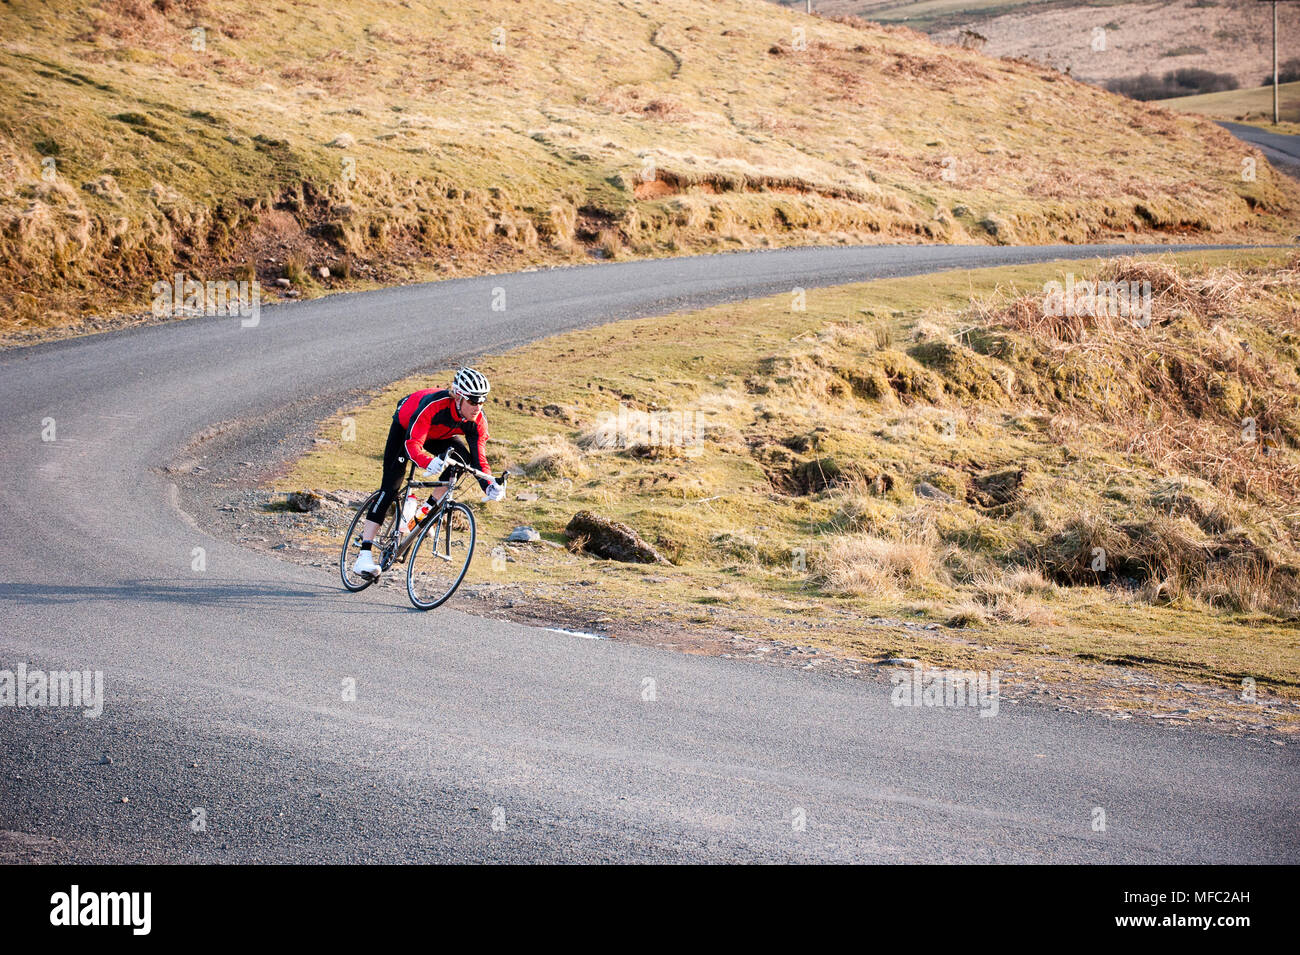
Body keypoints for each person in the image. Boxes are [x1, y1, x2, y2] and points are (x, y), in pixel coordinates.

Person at [352, 367, 504, 578]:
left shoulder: (477, 420)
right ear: (458, 396)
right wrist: (429, 461)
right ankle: (364, 555)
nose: (478, 406)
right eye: (473, 400)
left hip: (439, 435)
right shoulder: (435, 406)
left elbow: (479, 460)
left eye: (482, 401)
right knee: (391, 487)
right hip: (407, 428)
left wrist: (489, 485)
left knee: (462, 460)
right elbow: (413, 444)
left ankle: (425, 510)